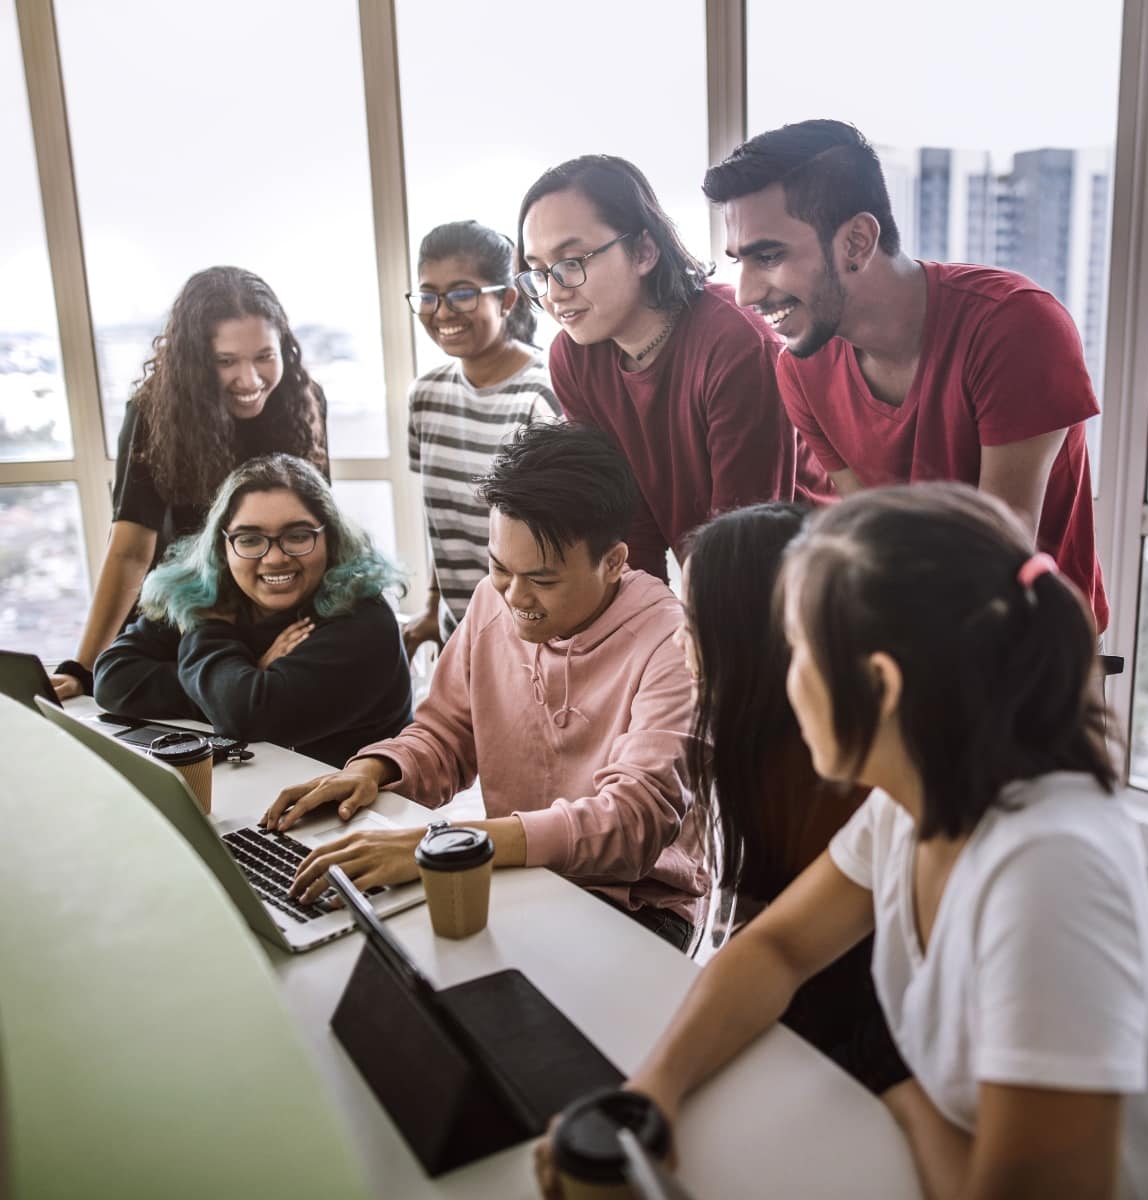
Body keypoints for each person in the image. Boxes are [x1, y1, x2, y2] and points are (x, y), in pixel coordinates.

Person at [537, 482, 1148, 1200]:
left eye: (797, 654)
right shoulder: (912, 800)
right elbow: (777, 949)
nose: (786, 682)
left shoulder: (1048, 871)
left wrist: (904, 1100)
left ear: (879, 686)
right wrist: (650, 1095)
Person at [263, 422, 706, 950]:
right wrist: (373, 770)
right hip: (513, 872)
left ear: (613, 562)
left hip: (634, 906)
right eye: (499, 567)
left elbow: (633, 823)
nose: (515, 596)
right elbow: (446, 734)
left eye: (542, 580)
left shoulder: (671, 642)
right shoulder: (489, 601)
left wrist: (452, 842)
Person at [702, 120, 1109, 632]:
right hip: (915, 641)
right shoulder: (801, 368)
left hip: (1033, 651)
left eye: (769, 256)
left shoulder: (1015, 323)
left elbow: (1000, 556)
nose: (746, 293)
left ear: (856, 241)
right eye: (740, 261)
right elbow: (877, 537)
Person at [677, 502, 908, 1095]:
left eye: (692, 620)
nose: (680, 640)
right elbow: (767, 943)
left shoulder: (852, 785)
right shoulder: (752, 749)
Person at [515, 154, 832, 583]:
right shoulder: (573, 356)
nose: (553, 293)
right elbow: (626, 523)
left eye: (572, 262)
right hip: (718, 577)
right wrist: (643, 630)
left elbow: (746, 537)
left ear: (644, 251)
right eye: (538, 272)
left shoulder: (736, 343)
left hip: (801, 584)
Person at [52, 266, 329, 700]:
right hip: (183, 619)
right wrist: (82, 668)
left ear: (285, 349)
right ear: (196, 362)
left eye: (264, 356)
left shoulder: (303, 399)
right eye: (226, 361)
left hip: (271, 610)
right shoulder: (153, 411)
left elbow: (317, 529)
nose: (251, 380)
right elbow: (129, 551)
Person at [93, 454, 411, 768]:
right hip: (256, 791)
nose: (274, 558)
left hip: (365, 807)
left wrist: (213, 643)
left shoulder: (365, 620)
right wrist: (234, 682)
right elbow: (111, 679)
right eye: (250, 539)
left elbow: (248, 716)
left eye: (298, 536)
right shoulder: (205, 594)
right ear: (223, 546)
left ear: (331, 538)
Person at [404, 220, 560, 659]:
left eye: (461, 293)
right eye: (429, 295)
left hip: (532, 640)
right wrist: (433, 608)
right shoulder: (424, 396)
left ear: (507, 299)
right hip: (462, 638)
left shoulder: (541, 395)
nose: (442, 311)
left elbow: (554, 543)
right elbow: (440, 522)